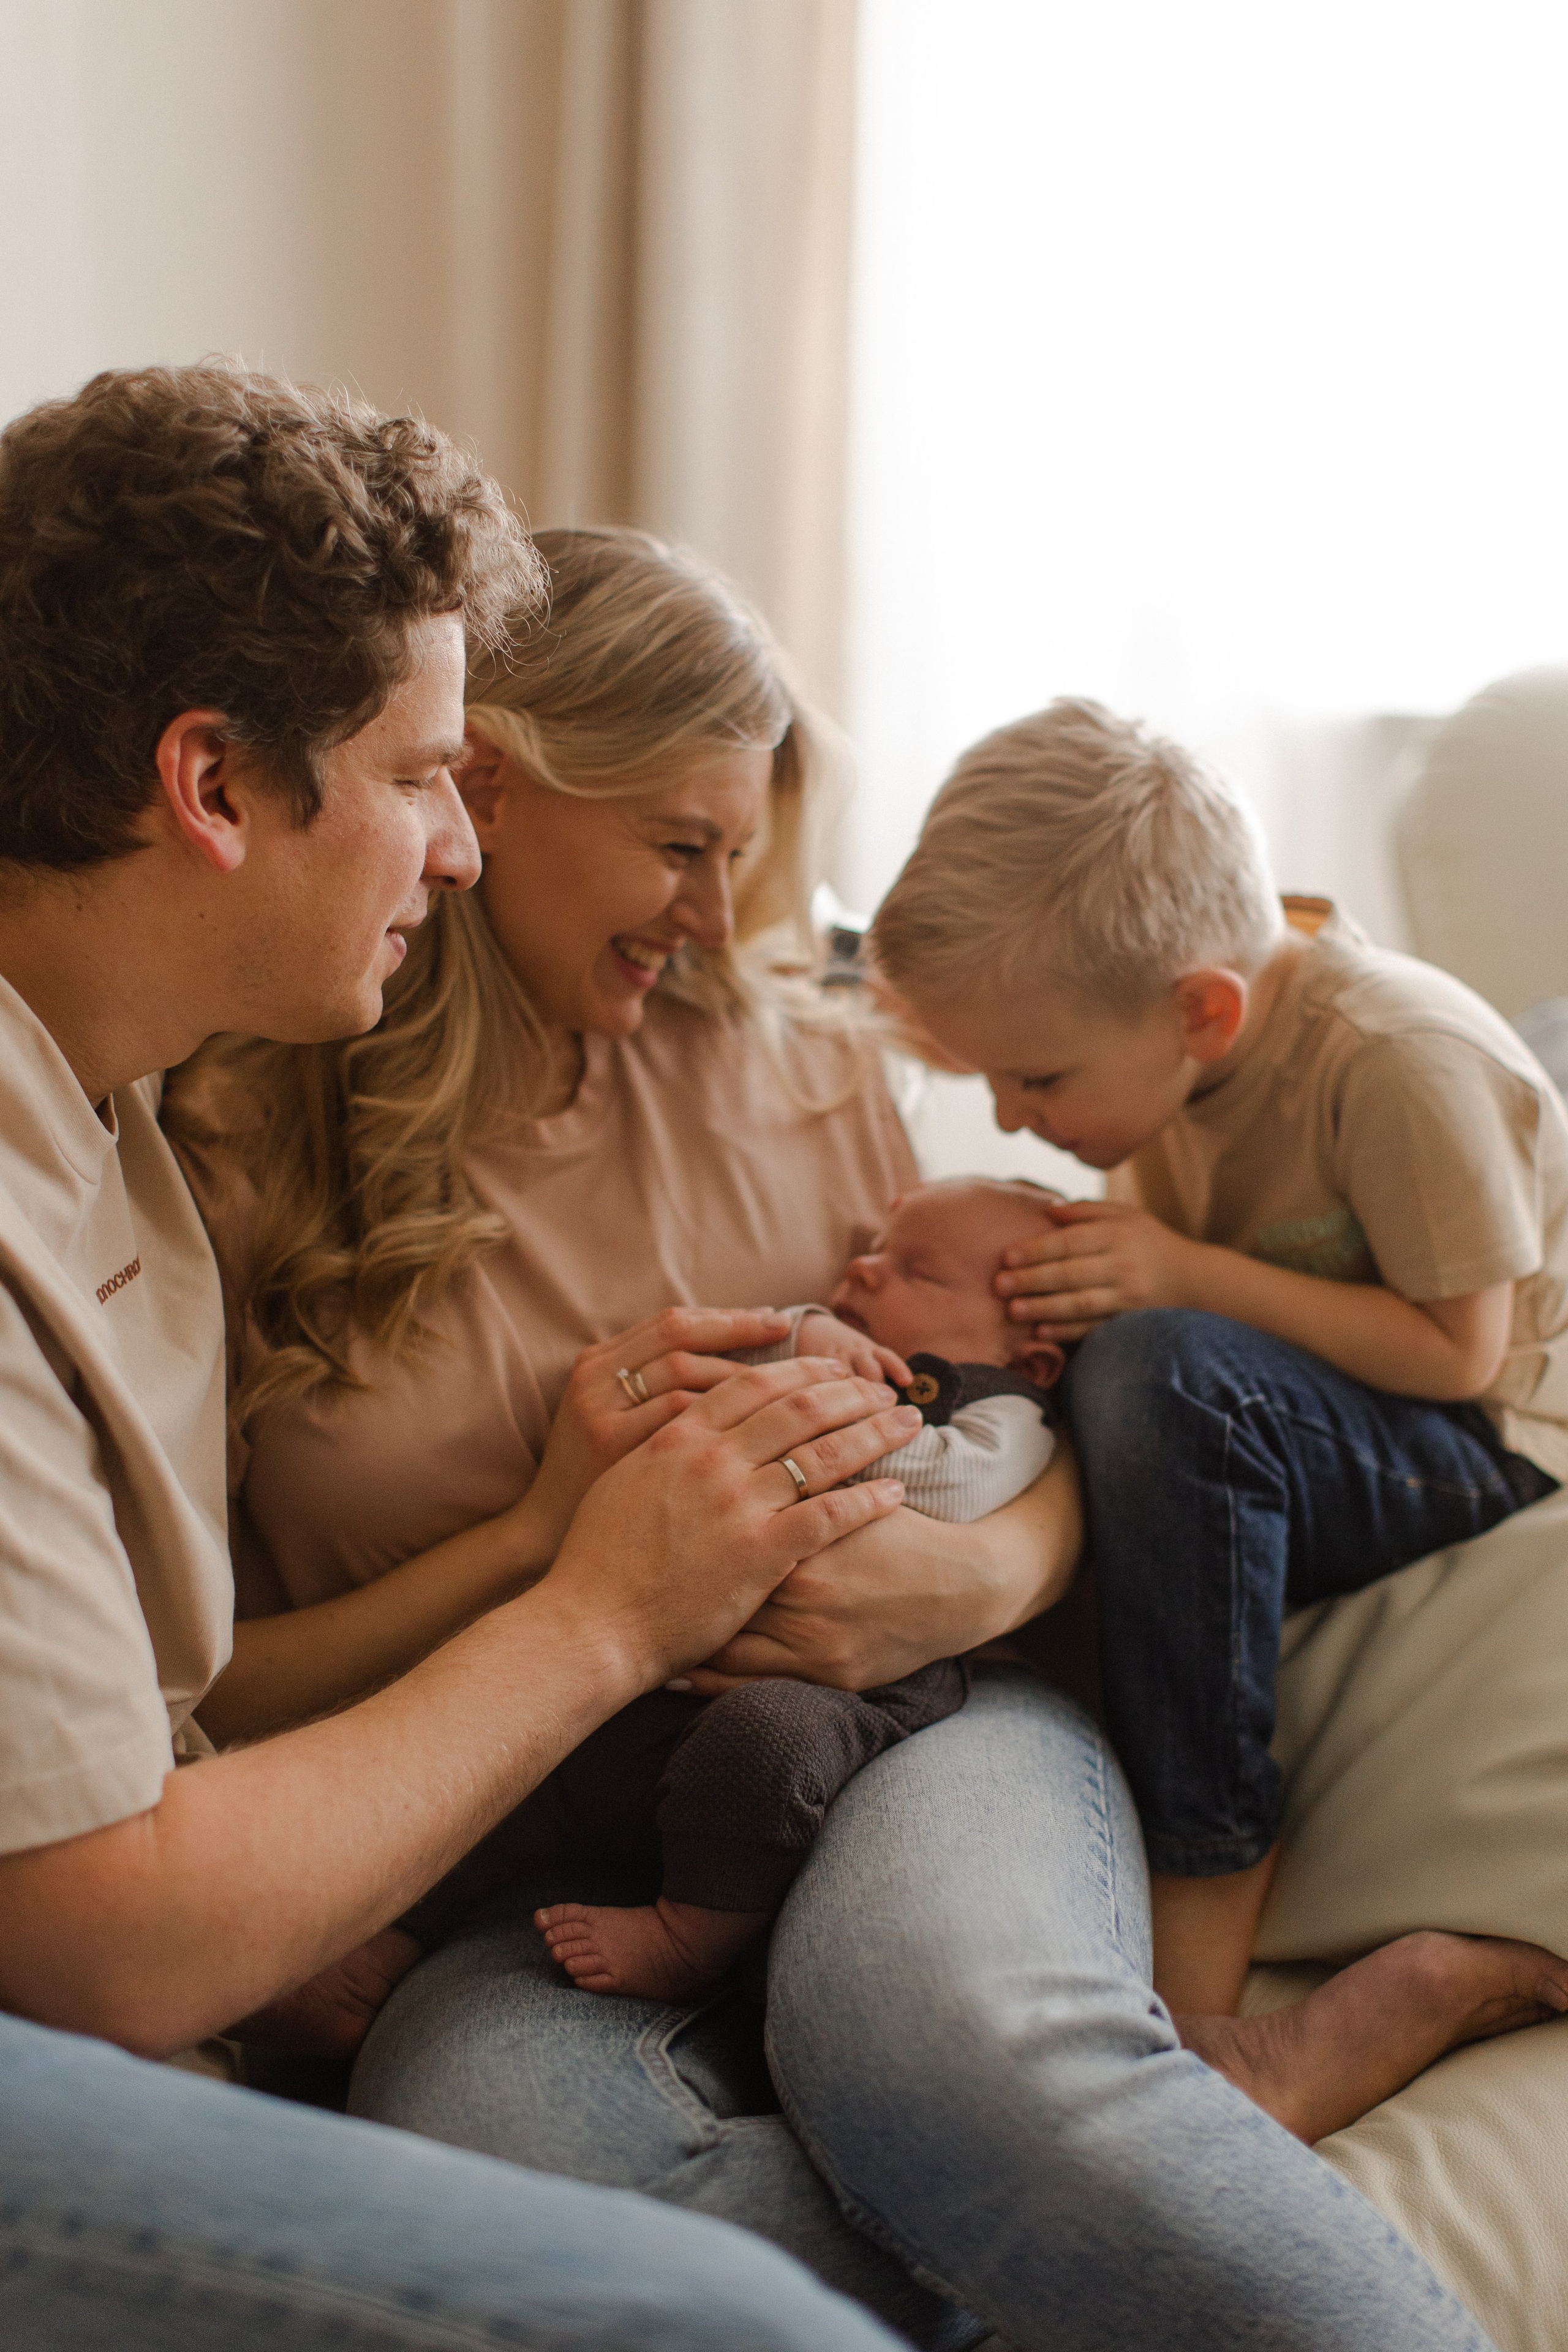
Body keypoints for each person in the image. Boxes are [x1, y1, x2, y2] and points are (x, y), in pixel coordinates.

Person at [172, 529, 1504, 2352]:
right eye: (685, 847)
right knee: (507, 2156)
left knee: (945, 2036)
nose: (724, 915)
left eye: (747, 853)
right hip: (537, 1839)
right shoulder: (241, 1135)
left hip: (931, 1721)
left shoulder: (802, 1064)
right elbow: (218, 1695)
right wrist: (549, 1551)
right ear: (490, 789)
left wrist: (966, 1576)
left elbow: (1061, 1410)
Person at [0, 363, 918, 2352]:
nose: (464, 850)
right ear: (215, 785)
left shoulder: (109, 1111)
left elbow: (164, 1730)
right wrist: (598, 1604)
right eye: (424, 779)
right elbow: (113, 1935)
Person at [871, 694, 1568, 2136]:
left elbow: (1457, 1354)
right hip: (1318, 1416)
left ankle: (1203, 1942)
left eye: (1037, 1077)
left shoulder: (1393, 1057)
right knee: (1096, 1362)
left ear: (1201, 1010)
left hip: (1489, 1438)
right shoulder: (1171, 1059)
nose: (1008, 1115)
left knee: (1156, 1368)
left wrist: (1182, 1276)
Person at [533, 1175, 1066, 2001]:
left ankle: (690, 1935)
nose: (864, 1271)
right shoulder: (826, 1348)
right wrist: (801, 1334)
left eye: (916, 1272)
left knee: (765, 1744)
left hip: (863, 1689)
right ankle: (405, 1925)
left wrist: (823, 1407)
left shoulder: (1009, 1413)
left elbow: (955, 1488)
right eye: (875, 1253)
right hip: (679, 1659)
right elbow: (718, 1368)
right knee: (541, 1736)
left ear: (1024, 1356)